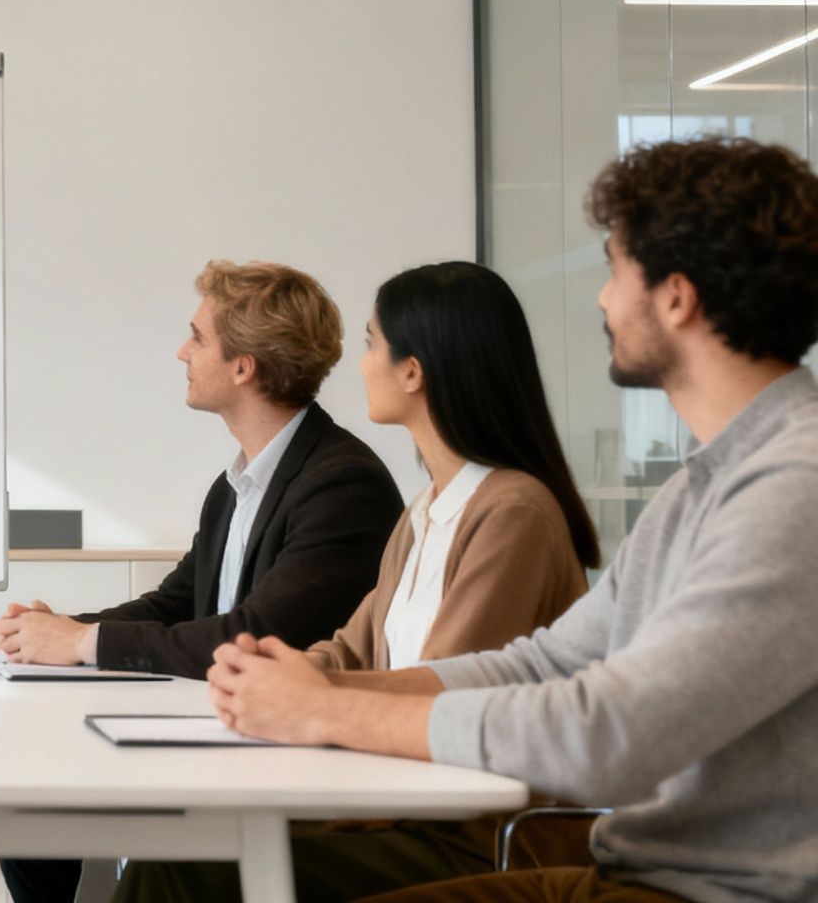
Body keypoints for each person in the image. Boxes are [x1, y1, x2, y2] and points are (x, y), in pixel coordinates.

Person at [208, 135, 818, 903]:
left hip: (708, 890)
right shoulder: (706, 484)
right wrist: (302, 693)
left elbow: (608, 736)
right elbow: (544, 663)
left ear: (675, 295)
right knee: (201, 868)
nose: (601, 298)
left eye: (614, 268)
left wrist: (326, 710)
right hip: (638, 871)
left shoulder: (796, 486)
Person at [117, 261, 599, 903]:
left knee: (181, 861)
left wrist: (301, 696)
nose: (359, 363)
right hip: (411, 808)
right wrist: (262, 671)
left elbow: (443, 691)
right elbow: (349, 650)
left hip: (475, 836)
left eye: (372, 343)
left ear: (413, 371)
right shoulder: (427, 510)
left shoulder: (511, 512)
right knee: (181, 843)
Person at [0, 260, 406, 903]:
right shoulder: (235, 484)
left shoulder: (340, 483)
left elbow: (250, 634)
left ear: (243, 366)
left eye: (197, 337)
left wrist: (79, 644)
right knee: (31, 811)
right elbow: (176, 602)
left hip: (282, 754)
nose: (181, 352)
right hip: (218, 728)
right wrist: (60, 628)